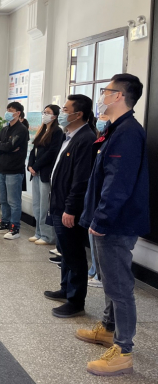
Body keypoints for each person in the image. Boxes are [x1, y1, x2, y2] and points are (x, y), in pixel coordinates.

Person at [76, 74, 149, 376]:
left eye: (106, 91)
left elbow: (118, 182)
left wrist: (102, 218)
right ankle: (108, 329)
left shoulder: (128, 133)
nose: (102, 96)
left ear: (119, 96)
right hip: (107, 219)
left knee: (119, 286)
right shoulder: (115, 128)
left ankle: (123, 350)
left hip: (116, 223)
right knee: (109, 280)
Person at [42, 95, 96, 318]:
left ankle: (76, 301)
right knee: (65, 250)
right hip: (59, 203)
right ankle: (66, 288)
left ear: (78, 114)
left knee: (74, 254)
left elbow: (81, 180)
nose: (61, 113)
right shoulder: (70, 136)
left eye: (65, 110)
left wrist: (71, 209)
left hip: (69, 207)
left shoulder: (86, 138)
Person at [0, 102, 28, 239]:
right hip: (2, 168)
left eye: (11, 110)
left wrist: (5, 147)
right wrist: (5, 147)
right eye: (7, 110)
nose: (7, 112)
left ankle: (14, 228)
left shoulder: (21, 129)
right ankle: (5, 223)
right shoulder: (5, 129)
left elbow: (10, 146)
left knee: (14, 201)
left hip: (14, 169)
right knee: (3, 199)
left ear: (18, 113)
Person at [27, 105, 63, 246]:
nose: (44, 115)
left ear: (55, 116)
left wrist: (36, 166)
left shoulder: (57, 131)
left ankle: (47, 236)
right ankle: (38, 232)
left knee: (44, 207)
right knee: (36, 205)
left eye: (48, 113)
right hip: (36, 172)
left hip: (45, 172)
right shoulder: (42, 130)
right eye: (44, 112)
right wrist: (30, 165)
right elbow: (33, 149)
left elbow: (52, 152)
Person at [87, 113, 110, 289]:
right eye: (100, 116)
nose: (101, 119)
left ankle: (100, 275)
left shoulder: (112, 139)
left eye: (104, 116)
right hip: (94, 193)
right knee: (92, 238)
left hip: (102, 197)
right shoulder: (99, 138)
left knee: (99, 239)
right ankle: (94, 269)